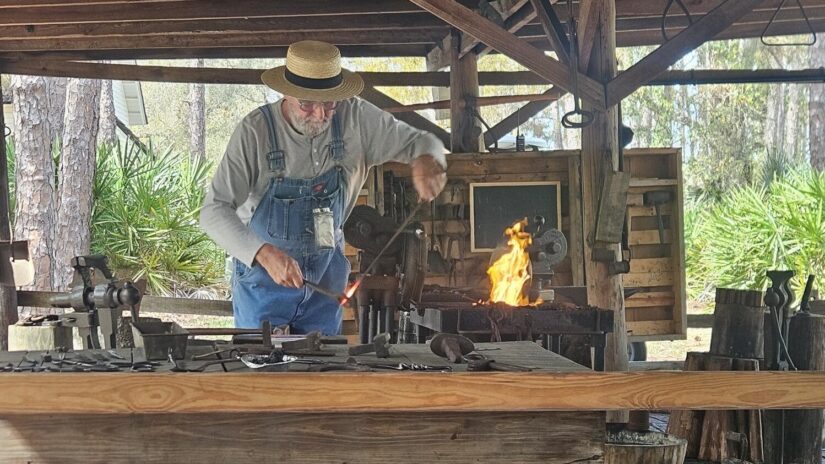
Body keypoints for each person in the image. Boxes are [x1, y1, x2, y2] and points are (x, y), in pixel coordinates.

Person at [200, 40, 447, 335]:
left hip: (325, 287)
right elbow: (213, 211)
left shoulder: (357, 119)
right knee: (261, 377)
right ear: (286, 93)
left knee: (323, 375)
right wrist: (265, 254)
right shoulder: (255, 132)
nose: (320, 115)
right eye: (306, 103)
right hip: (263, 284)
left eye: (329, 103)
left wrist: (429, 161)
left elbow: (424, 142)